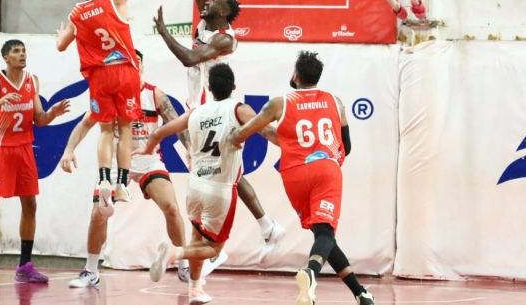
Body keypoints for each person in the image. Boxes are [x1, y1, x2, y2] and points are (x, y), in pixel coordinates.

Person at [152, 0, 286, 258]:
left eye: (215, 4)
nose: (207, 2)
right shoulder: (207, 19)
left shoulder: (225, 39)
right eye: (209, 2)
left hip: (214, 107)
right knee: (225, 173)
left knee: (214, 173)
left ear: (223, 15)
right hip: (199, 105)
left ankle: (216, 243)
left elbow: (190, 59)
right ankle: (265, 226)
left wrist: (164, 31)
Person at [225, 51, 375, 305]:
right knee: (325, 234)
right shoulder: (335, 101)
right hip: (326, 171)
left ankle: (360, 293)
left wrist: (233, 139)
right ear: (318, 76)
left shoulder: (278, 104)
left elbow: (243, 133)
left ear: (296, 76)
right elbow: (346, 146)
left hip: (293, 176)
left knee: (323, 235)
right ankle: (310, 273)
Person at [141, 64, 275, 304]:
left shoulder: (196, 112)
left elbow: (156, 135)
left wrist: (147, 152)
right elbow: (268, 132)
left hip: (195, 186)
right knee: (213, 248)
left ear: (209, 88)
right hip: (220, 190)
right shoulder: (238, 109)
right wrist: (295, 143)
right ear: (234, 87)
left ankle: (195, 288)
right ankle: (174, 253)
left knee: (196, 236)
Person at [60, 49, 194, 286]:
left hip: (147, 159)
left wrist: (189, 148)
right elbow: (83, 125)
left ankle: (184, 266)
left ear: (141, 66)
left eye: (137, 62)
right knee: (98, 215)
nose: (133, 66)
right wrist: (69, 150)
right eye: (128, 63)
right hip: (114, 162)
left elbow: (176, 123)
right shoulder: (109, 93)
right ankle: (91, 271)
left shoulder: (154, 94)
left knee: (172, 208)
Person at [56, 0, 148, 214]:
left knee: (105, 131)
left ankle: (104, 180)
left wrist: (62, 33)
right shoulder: (115, 0)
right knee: (125, 128)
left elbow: (60, 46)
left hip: (98, 77)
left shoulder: (76, 14)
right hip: (125, 72)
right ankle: (122, 184)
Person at [0, 39, 71, 284]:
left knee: (30, 204)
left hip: (23, 147)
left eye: (24, 51)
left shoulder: (31, 80)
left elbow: (39, 119)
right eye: (16, 51)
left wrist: (52, 114)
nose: (22, 55)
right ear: (6, 57)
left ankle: (25, 265)